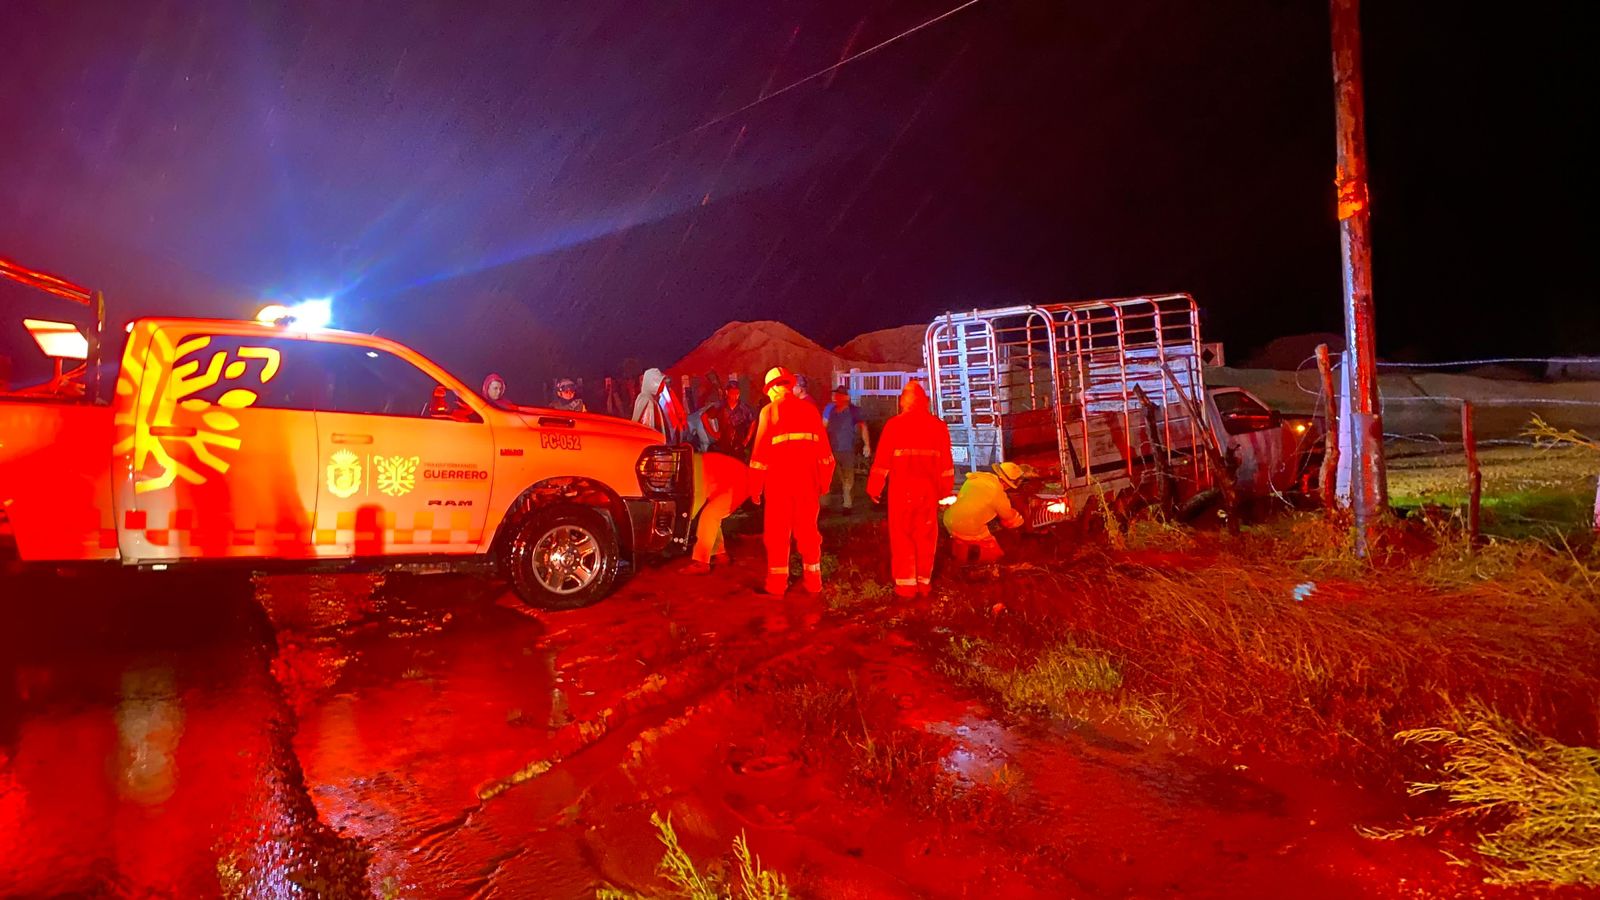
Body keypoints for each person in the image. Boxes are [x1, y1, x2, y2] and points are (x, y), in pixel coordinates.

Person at [748, 366, 834, 594]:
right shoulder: (810, 411)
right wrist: (824, 483)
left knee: (777, 534)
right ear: (790, 385)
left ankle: (777, 586)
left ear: (772, 390)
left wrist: (755, 488)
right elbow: (825, 455)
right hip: (808, 485)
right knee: (808, 533)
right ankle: (814, 582)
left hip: (779, 487)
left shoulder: (769, 412)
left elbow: (759, 458)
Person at [868, 381, 953, 598]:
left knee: (902, 536)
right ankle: (924, 583)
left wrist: (874, 488)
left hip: (901, 492)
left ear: (903, 401)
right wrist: (945, 491)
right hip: (928, 491)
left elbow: (882, 461)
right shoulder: (938, 426)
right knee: (926, 536)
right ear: (925, 402)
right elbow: (946, 465)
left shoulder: (894, 425)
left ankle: (906, 587)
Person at [943, 461, 1027, 564]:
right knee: (993, 551)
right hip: (968, 526)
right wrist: (1020, 521)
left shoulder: (976, 478)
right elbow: (1009, 518)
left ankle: (958, 562)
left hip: (949, 519)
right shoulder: (998, 493)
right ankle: (986, 567)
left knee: (960, 542)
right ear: (1005, 483)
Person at [682, 451, 750, 574]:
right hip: (733, 482)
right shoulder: (694, 461)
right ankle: (720, 555)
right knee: (711, 517)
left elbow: (696, 498)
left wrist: (682, 521)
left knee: (709, 515)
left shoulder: (694, 466)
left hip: (738, 483)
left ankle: (701, 563)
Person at [822, 386, 872, 514]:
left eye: (839, 395)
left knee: (848, 478)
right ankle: (825, 505)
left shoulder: (854, 411)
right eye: (835, 395)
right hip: (831, 449)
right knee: (828, 478)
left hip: (847, 449)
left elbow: (863, 427)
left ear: (846, 397)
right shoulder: (829, 409)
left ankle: (847, 505)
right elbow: (823, 427)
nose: (835, 397)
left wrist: (867, 445)